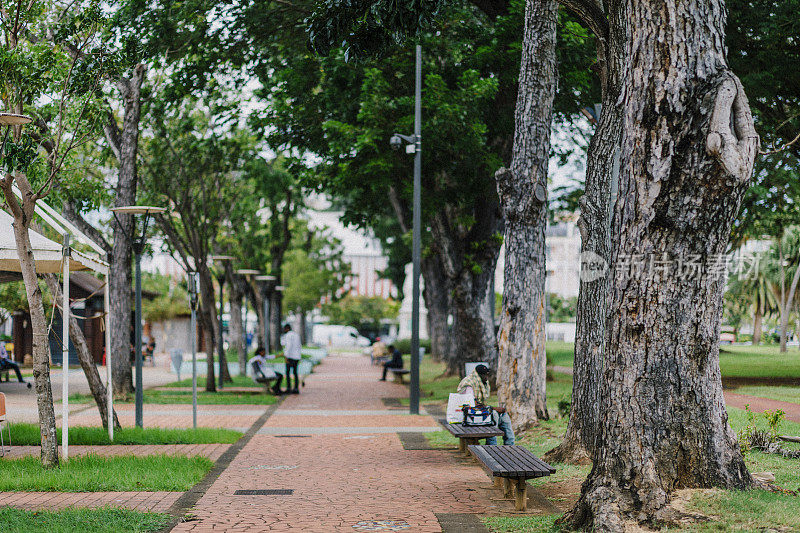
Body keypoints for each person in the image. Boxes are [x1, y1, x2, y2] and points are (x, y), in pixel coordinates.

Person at [456, 364, 514, 445]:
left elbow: (482, 404)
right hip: (472, 416)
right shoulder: (469, 384)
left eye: (487, 375)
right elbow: (473, 405)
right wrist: (493, 408)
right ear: (479, 375)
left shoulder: (482, 383)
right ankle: (491, 446)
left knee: (504, 416)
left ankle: (510, 446)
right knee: (493, 415)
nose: (487, 377)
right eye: (484, 375)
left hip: (481, 412)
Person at [281, 324, 302, 394]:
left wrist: (286, 356)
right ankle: (296, 388)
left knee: (287, 372)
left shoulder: (288, 335)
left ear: (287, 329)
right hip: (297, 356)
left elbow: (288, 346)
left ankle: (289, 388)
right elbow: (299, 345)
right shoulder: (296, 335)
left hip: (290, 356)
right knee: (295, 373)